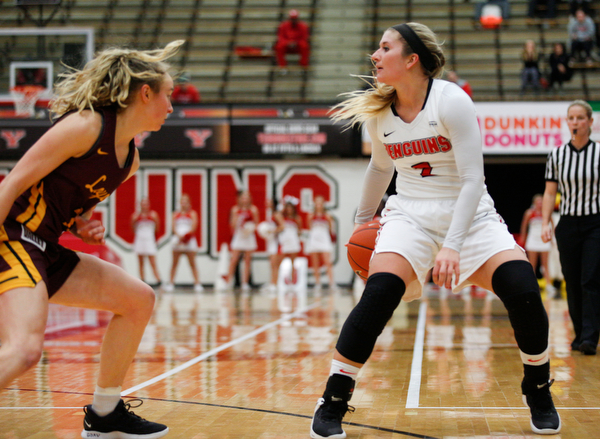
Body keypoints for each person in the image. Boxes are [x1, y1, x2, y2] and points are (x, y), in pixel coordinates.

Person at [309, 22, 560, 438]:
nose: (374, 54)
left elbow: (472, 181)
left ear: (412, 60)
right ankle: (334, 398)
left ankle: (537, 387)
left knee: (523, 288)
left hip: (470, 213)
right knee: (380, 293)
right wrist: (361, 224)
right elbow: (379, 168)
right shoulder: (379, 112)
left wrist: (453, 247)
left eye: (384, 48)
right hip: (409, 215)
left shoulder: (451, 101)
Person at [0, 39, 183, 438]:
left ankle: (104, 414)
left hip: (46, 246)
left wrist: (83, 222)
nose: (172, 106)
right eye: (168, 95)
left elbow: (70, 198)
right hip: (12, 236)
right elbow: (12, 183)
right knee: (25, 350)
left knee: (138, 300)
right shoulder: (85, 126)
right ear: (145, 92)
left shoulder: (130, 160)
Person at [542, 100, 600, 356]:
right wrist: (545, 221)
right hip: (567, 223)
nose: (575, 122)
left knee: (590, 279)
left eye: (580, 118)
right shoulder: (557, 155)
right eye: (571, 118)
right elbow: (549, 191)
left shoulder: (599, 152)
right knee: (573, 280)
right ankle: (579, 333)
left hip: (595, 222)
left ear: (590, 122)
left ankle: (590, 336)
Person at [165, 193, 203, 293]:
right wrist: (179, 236)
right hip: (178, 241)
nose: (184, 203)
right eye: (182, 201)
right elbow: (173, 227)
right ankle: (171, 284)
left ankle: (197, 283)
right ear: (180, 203)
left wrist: (187, 236)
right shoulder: (175, 214)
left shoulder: (192, 213)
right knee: (174, 263)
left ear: (189, 203)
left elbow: (194, 226)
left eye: (186, 201)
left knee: (192, 263)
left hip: (189, 241)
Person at [520, 194, 555, 298]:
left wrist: (552, 238)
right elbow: (524, 226)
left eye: (541, 201)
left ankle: (548, 285)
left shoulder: (546, 213)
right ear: (534, 202)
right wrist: (523, 238)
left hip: (543, 240)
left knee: (545, 264)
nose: (540, 203)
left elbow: (552, 225)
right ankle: (531, 284)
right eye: (538, 201)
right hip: (532, 240)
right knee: (532, 264)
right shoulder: (529, 213)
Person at [225, 190, 260, 292]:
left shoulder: (253, 209)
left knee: (247, 260)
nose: (245, 199)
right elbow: (232, 224)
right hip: (239, 235)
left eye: (247, 197)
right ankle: (228, 282)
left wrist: (251, 228)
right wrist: (238, 219)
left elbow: (257, 223)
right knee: (234, 260)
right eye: (243, 197)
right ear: (239, 198)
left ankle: (245, 283)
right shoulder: (235, 209)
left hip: (249, 236)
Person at [306, 195, 337, 292]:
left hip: (324, 239)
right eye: (317, 202)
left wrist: (332, 238)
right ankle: (317, 283)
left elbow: (331, 228)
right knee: (315, 263)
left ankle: (332, 284)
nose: (319, 204)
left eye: (320, 202)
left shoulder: (328, 215)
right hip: (314, 238)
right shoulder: (310, 215)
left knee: (328, 262)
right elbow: (309, 227)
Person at [131, 197, 162, 286]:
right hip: (140, 239)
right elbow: (132, 228)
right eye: (143, 204)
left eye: (146, 204)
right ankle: (142, 280)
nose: (144, 206)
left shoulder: (153, 215)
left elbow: (157, 228)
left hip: (149, 240)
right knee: (141, 262)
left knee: (152, 262)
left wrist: (154, 239)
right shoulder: (135, 216)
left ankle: (158, 280)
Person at [274, 197, 302, 262]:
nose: (289, 209)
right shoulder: (282, 217)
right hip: (284, 240)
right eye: (287, 207)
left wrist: (295, 235)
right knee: (280, 259)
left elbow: (299, 230)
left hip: (293, 240)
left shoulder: (297, 218)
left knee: (293, 261)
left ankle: (292, 272)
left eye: (290, 207)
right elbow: (276, 215)